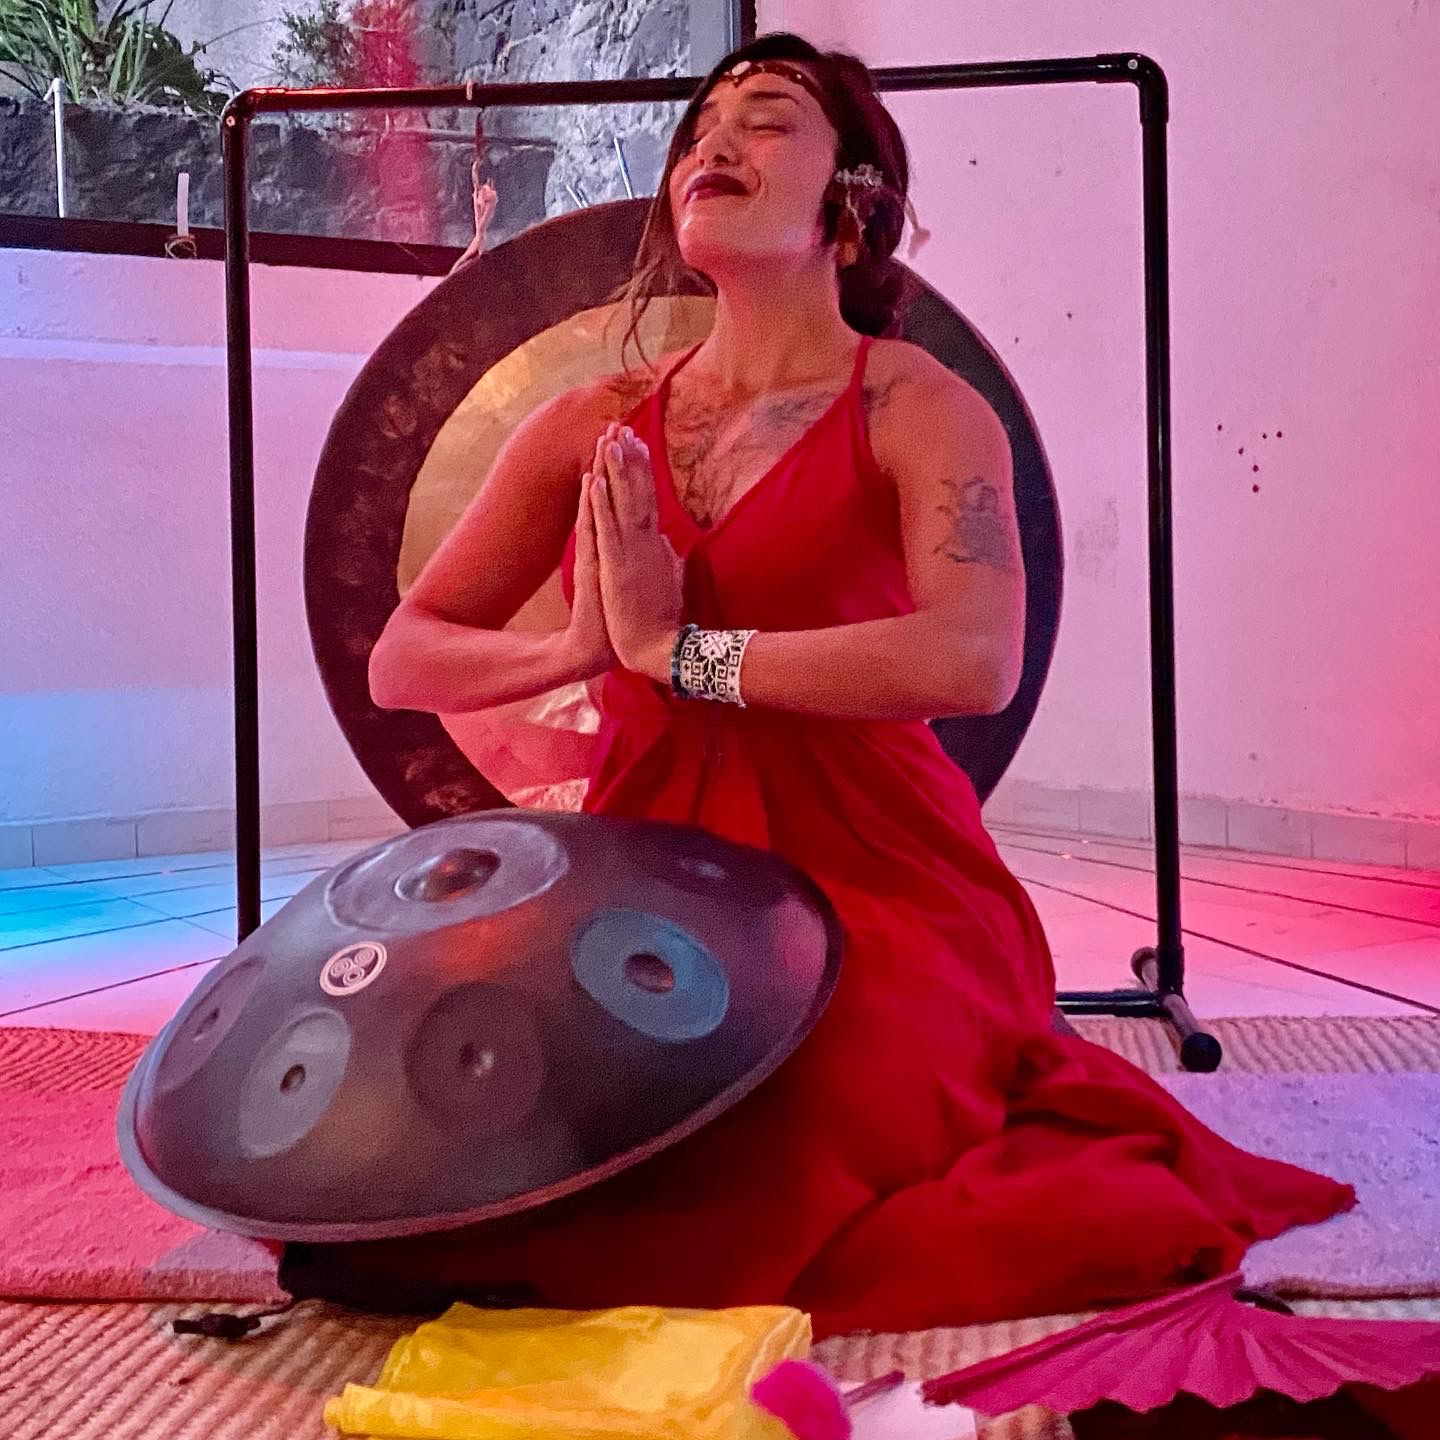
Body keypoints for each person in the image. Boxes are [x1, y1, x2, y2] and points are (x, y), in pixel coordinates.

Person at [354, 33, 1352, 1339]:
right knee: (478, 1113)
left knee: (793, 1120)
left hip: (879, 880)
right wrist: (584, 649)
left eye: (765, 121)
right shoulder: (588, 421)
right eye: (701, 126)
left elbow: (972, 659)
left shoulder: (917, 405)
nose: (716, 144)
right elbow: (401, 658)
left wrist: (685, 656)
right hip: (645, 879)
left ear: (855, 197)